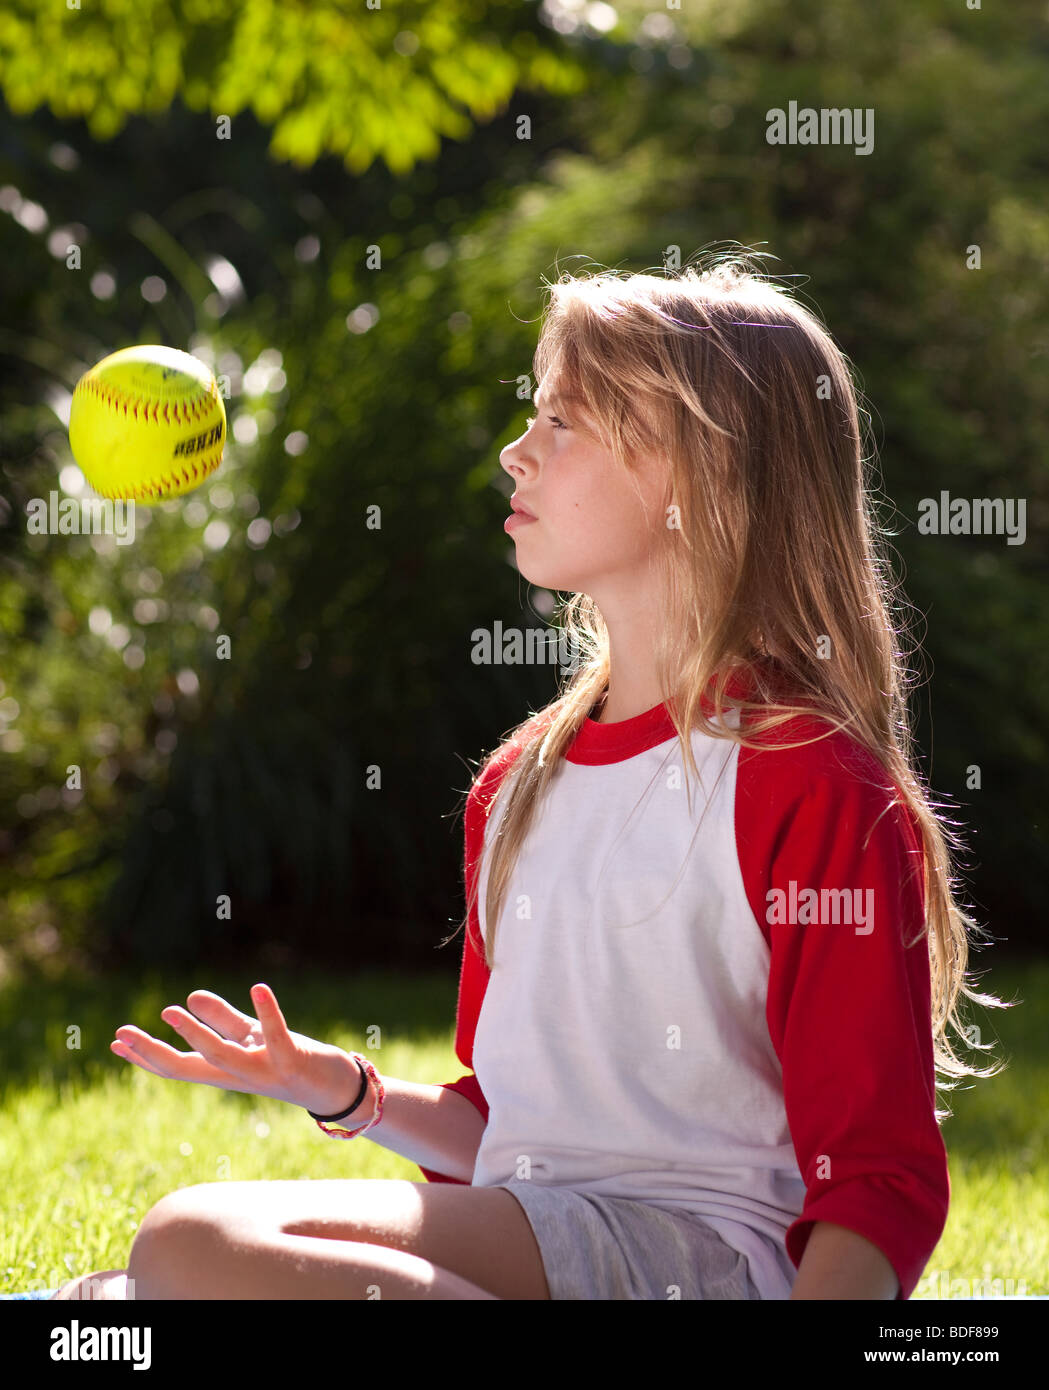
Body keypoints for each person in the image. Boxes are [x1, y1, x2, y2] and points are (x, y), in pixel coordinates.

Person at [51, 255, 1009, 1302]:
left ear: (696, 471)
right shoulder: (516, 783)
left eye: (562, 422)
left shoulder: (806, 780)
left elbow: (877, 1179)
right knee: (157, 1268)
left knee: (185, 1251)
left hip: (700, 1260)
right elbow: (510, 1130)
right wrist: (348, 1090)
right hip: (551, 1232)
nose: (516, 453)